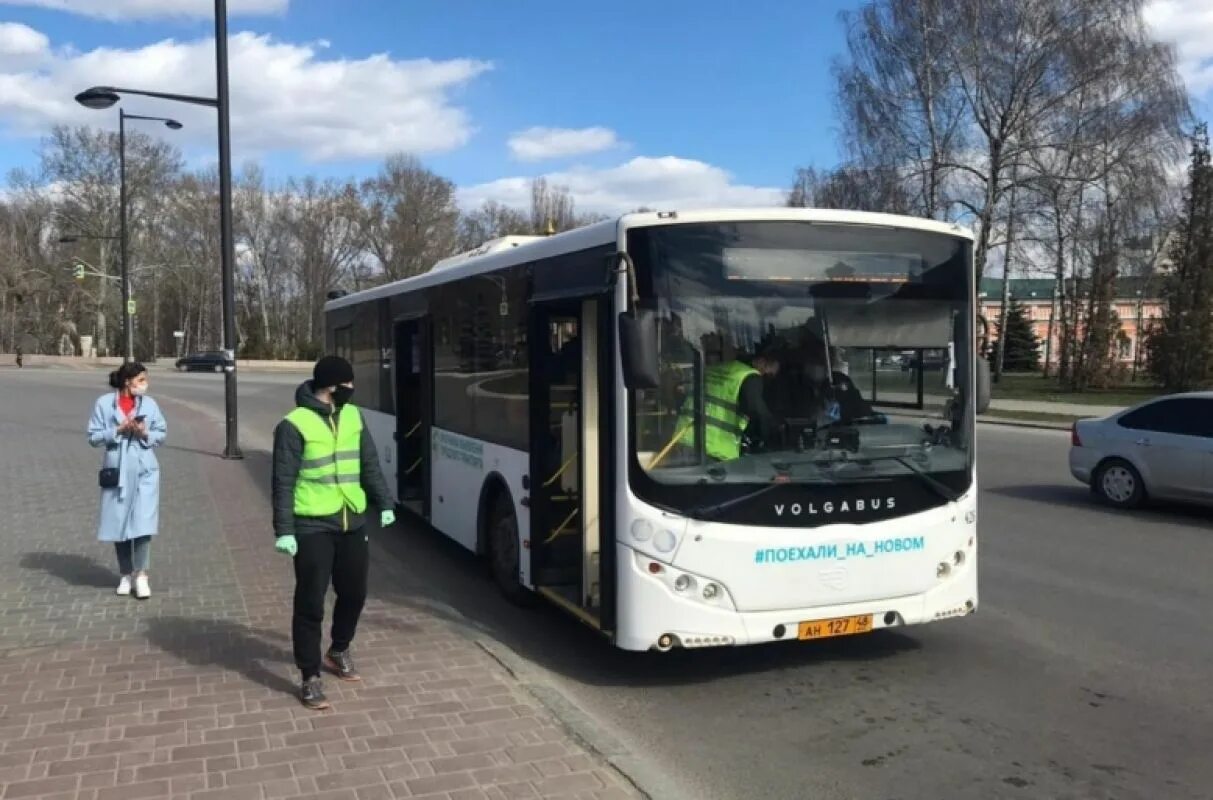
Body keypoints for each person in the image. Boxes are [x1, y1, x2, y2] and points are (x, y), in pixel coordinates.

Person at [272, 355, 395, 710]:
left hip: (352, 520)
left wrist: (384, 503)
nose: (353, 390)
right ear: (332, 386)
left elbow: (368, 463)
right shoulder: (293, 425)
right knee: (311, 601)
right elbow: (283, 481)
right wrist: (284, 530)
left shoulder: (354, 416)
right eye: (349, 384)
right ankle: (309, 675)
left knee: (354, 593)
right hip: (312, 524)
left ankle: (338, 648)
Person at [87, 361, 167, 600]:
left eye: (145, 380)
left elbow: (162, 433)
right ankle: (125, 573)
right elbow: (93, 437)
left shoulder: (150, 405)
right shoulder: (104, 404)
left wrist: (144, 433)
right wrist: (118, 431)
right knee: (118, 523)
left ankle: (141, 575)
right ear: (127, 381)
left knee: (143, 524)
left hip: (144, 470)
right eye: (141, 380)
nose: (145, 385)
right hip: (117, 471)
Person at [677, 349, 783, 461]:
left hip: (684, 438)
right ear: (760, 362)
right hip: (715, 448)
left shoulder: (716, 368)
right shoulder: (749, 377)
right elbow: (757, 410)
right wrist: (773, 431)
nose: (766, 379)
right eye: (769, 375)